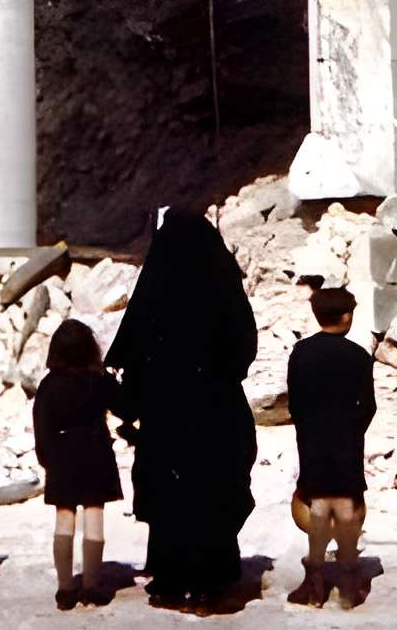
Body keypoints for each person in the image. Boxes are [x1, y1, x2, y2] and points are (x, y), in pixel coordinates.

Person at [106, 206, 259, 611]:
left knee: (171, 495)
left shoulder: (155, 288)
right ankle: (211, 581)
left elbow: (134, 358)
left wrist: (132, 404)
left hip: (166, 417)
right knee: (213, 491)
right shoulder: (223, 285)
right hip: (217, 411)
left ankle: (172, 579)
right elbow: (244, 347)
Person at [285, 284, 376, 607]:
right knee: (348, 510)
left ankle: (314, 582)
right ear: (347, 315)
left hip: (312, 443)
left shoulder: (301, 352)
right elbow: (368, 406)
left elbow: (294, 402)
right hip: (347, 444)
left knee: (315, 505)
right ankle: (349, 583)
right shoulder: (359, 356)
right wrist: (352, 430)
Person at [33, 316, 124, 610]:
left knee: (64, 517)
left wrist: (47, 459)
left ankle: (65, 588)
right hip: (95, 450)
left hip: (61, 454)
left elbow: (41, 426)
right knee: (94, 515)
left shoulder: (48, 386)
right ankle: (92, 587)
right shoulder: (98, 382)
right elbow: (125, 405)